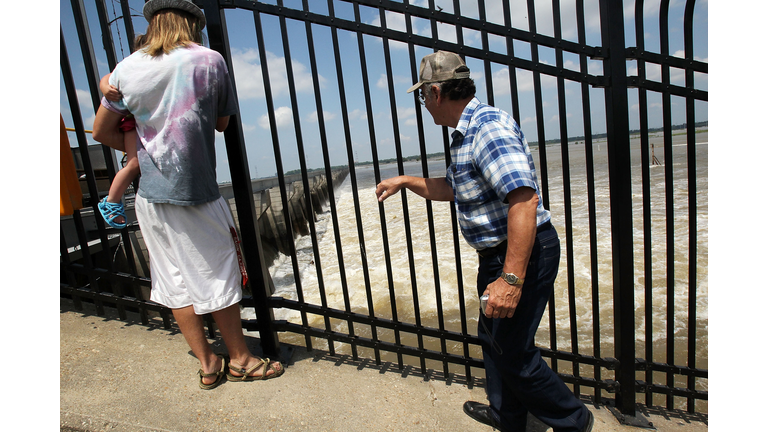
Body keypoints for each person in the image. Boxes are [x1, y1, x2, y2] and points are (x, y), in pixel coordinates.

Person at [375, 51, 593, 432]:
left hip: (520, 253)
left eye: (422, 96)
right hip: (496, 255)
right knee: (495, 341)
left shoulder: (486, 128)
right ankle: (507, 418)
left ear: (437, 92)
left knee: (513, 355)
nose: (423, 104)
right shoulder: (465, 133)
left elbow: (524, 201)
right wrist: (406, 182)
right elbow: (454, 188)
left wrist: (510, 278)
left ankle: (574, 421)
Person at [92, 0, 283, 390]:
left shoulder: (127, 69)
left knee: (174, 280)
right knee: (219, 273)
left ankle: (209, 364)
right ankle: (242, 360)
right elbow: (221, 122)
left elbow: (101, 132)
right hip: (194, 191)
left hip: (149, 196)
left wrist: (143, 157)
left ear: (154, 22)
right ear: (193, 22)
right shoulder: (208, 60)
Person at [97, 72, 140, 229]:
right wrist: (105, 88)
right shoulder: (132, 67)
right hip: (134, 120)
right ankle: (111, 201)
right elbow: (108, 77)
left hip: (142, 120)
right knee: (134, 163)